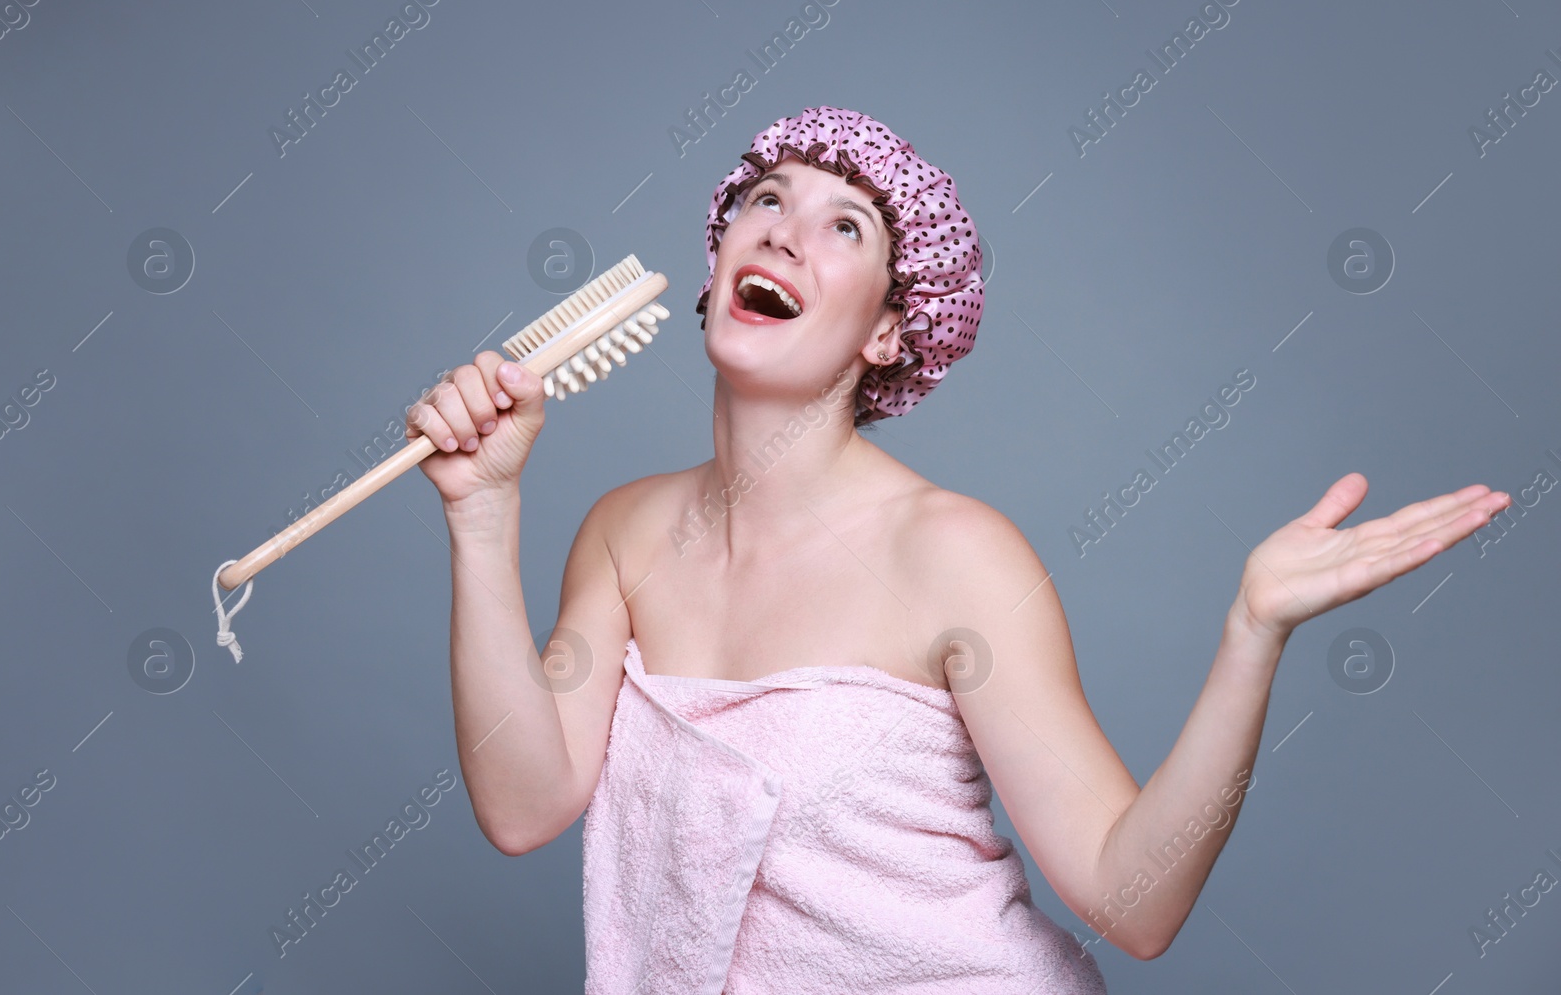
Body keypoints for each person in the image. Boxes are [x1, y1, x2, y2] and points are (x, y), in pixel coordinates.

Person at [406, 105, 1510, 993]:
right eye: (764, 199)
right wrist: (481, 512)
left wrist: (1251, 631)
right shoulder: (623, 531)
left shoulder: (955, 555)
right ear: (721, 257)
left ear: (888, 329)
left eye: (847, 226)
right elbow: (523, 802)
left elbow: (1135, 903)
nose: (784, 228)